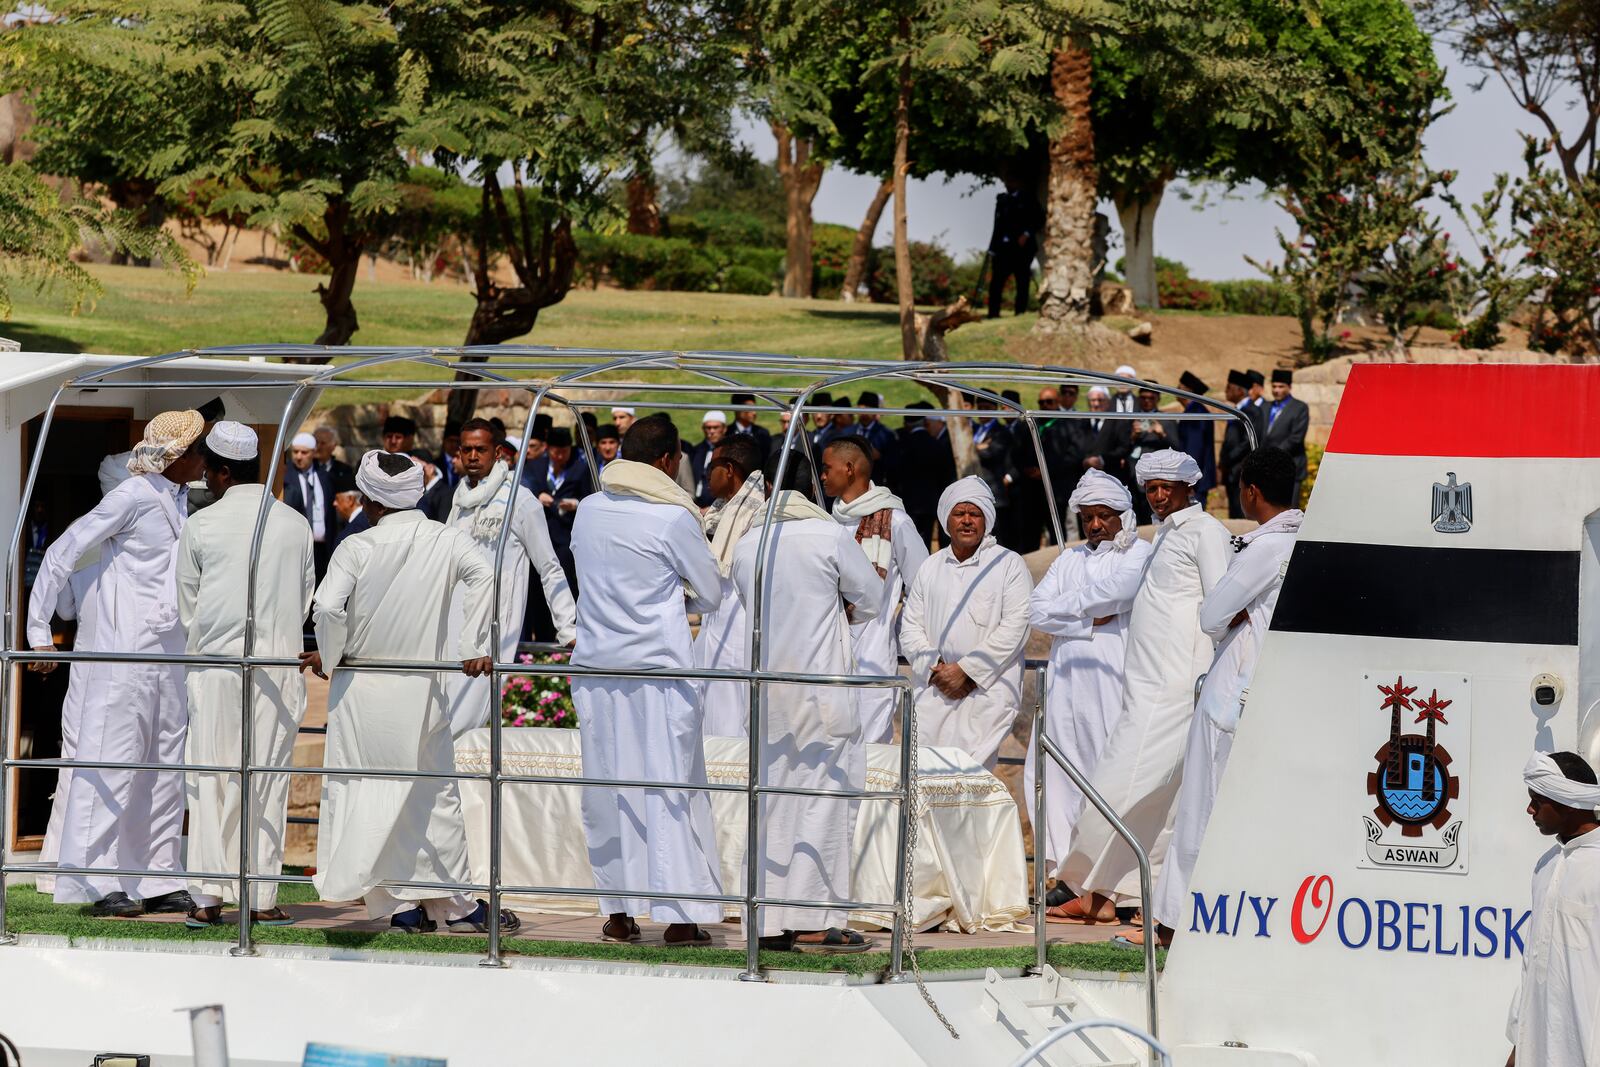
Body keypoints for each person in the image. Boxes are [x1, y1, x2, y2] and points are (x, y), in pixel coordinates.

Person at [302, 450, 516, 934]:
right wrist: (473, 645)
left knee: (369, 793)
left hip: (364, 692)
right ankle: (454, 908)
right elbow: (487, 574)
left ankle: (399, 906)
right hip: (424, 689)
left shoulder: (356, 547)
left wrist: (332, 656)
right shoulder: (448, 540)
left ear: (369, 499)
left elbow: (329, 608)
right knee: (433, 796)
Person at [26, 410, 207, 916]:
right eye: (197, 450)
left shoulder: (179, 500)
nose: (203, 459)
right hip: (121, 653)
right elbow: (63, 551)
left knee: (164, 768)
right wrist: (38, 633)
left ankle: (156, 876)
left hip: (170, 656)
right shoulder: (130, 497)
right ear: (175, 457)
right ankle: (92, 879)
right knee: (111, 761)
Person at [1053, 449, 1229, 924]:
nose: (1157, 496)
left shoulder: (1206, 532)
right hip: (1146, 686)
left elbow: (1221, 607)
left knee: (1127, 782)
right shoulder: (1164, 535)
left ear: (1188, 488)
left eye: (1165, 488)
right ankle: (1106, 895)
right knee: (1148, 791)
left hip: (1177, 684)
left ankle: (1088, 882)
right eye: (1150, 489)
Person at [569, 414, 726, 946]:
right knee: (670, 787)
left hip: (596, 671)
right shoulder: (672, 518)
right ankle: (681, 916)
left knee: (608, 790)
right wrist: (666, 595)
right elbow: (710, 593)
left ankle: (618, 913)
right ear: (667, 462)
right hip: (657, 675)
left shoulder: (587, 510)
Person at [1143, 448, 1299, 947]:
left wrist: (1234, 611)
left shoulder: (1265, 549)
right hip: (1278, 698)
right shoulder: (1308, 542)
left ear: (1250, 492)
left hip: (1233, 698)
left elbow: (1211, 616)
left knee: (1200, 811)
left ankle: (1174, 925)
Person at [732, 452, 882, 953]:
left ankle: (769, 919)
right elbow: (874, 598)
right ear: (812, 486)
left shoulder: (749, 542)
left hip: (768, 693)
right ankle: (815, 919)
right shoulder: (828, 535)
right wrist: (841, 613)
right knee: (825, 800)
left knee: (772, 802)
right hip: (822, 692)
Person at [177, 422, 315, 928]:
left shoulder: (201, 526)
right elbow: (303, 603)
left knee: (211, 778)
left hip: (216, 669)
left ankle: (207, 899)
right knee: (268, 780)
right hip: (276, 668)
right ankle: (259, 897)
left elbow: (187, 607)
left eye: (209, 471)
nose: (206, 480)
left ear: (223, 471)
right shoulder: (295, 524)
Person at [1025, 470, 1153, 894]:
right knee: (1056, 770)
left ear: (1123, 515)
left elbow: (1122, 593)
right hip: (1065, 679)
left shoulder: (1139, 553)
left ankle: (1106, 879)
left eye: (1104, 516)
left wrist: (1070, 615)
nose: (1096, 525)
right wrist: (1087, 621)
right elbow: (1035, 611)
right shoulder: (1069, 560)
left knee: (1105, 768)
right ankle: (1065, 873)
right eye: (1088, 517)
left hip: (1111, 677)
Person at [442, 418, 577, 739]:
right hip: (451, 624)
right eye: (467, 449)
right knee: (445, 717)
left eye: (481, 449)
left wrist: (568, 626)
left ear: (498, 452)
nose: (473, 456)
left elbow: (548, 565)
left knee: (466, 722)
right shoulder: (458, 500)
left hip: (493, 625)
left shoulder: (520, 499)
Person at [899, 477, 1033, 769]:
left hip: (986, 694)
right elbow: (910, 627)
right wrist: (938, 670)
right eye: (960, 514)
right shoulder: (930, 567)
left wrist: (968, 672)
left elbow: (1017, 626)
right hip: (935, 691)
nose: (967, 521)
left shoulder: (1008, 564)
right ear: (947, 520)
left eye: (975, 514)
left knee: (972, 784)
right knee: (927, 781)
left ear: (986, 520)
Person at [823, 436, 928, 744]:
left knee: (870, 751)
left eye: (828, 468)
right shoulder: (826, 521)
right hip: (829, 654)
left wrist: (898, 628)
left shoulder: (895, 520)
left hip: (873, 655)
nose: (823, 475)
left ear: (850, 468)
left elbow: (923, 584)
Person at [1507, 751, 1600, 1067]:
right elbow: (1530, 963)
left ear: (1568, 801)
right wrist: (1518, 1046)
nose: (1530, 809)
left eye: (1538, 800)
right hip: (1538, 1047)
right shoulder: (1545, 865)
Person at [694, 435, 767, 738]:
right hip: (714, 626)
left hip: (740, 631)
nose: (706, 476)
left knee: (734, 724)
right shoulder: (718, 515)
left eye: (711, 467)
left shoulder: (757, 516)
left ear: (729, 469)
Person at [524, 426, 590, 586]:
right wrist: (537, 496)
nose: (560, 456)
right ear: (548, 449)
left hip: (565, 537)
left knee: (564, 582)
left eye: (564, 452)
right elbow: (525, 489)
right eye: (555, 452)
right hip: (539, 533)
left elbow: (589, 498)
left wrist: (576, 504)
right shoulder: (535, 466)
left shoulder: (580, 469)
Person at [898, 402, 958, 546]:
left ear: (906, 423)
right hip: (931, 502)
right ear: (925, 422)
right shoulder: (936, 444)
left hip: (907, 502)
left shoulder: (901, 444)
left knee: (909, 541)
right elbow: (946, 475)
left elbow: (895, 473)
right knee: (926, 539)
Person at [986, 177, 1044, 318]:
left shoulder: (1028, 199)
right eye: (1007, 181)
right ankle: (993, 313)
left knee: (1022, 282)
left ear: (1018, 182)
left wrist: (1026, 233)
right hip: (1002, 248)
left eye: (1011, 181)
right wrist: (992, 248)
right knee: (996, 283)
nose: (1008, 184)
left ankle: (1020, 312)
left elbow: (1040, 218)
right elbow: (997, 226)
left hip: (1021, 249)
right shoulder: (1002, 200)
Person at [283, 431, 337, 581]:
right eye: (295, 452)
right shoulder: (285, 478)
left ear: (313, 453)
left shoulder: (325, 477)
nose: (299, 456)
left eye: (304, 452)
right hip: (297, 547)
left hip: (322, 549)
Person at [1218, 370, 1265, 520]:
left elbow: (1247, 441)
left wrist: (1228, 459)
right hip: (1232, 470)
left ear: (1239, 390)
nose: (1226, 391)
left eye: (1229, 387)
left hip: (1241, 469)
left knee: (1242, 515)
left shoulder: (1252, 411)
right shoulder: (1237, 409)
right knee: (1234, 512)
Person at [1263, 369, 1310, 506]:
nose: (1277, 390)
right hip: (1268, 469)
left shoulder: (1299, 408)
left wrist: (1271, 455)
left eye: (1281, 386)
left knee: (1288, 510)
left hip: (1290, 467)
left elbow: (1296, 438)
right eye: (1274, 386)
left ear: (1289, 387)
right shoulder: (1265, 407)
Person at [1175, 371, 1217, 504]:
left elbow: (1195, 449)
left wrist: (1189, 479)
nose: (1176, 391)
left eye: (1179, 387)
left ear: (1187, 390)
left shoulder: (1195, 413)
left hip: (1195, 482)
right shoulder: (1194, 410)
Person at [854, 391, 898, 486]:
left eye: (868, 409)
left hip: (876, 483)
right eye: (862, 408)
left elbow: (895, 464)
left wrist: (879, 456)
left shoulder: (886, 435)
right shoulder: (848, 431)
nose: (864, 413)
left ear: (875, 411)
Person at [689, 410, 728, 506]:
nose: (711, 431)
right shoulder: (695, 451)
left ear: (724, 429)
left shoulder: (730, 452)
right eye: (708, 428)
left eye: (715, 427)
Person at [728, 393, 772, 462]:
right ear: (737, 409)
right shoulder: (727, 433)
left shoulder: (763, 433)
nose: (754, 413)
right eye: (749, 408)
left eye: (754, 408)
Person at [410, 450, 451, 522]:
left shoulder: (445, 493)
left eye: (417, 468)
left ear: (431, 468)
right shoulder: (421, 492)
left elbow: (443, 522)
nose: (413, 473)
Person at [331, 471, 368, 546]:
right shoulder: (372, 520)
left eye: (337, 499)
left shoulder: (352, 533)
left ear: (350, 500)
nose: (334, 503)